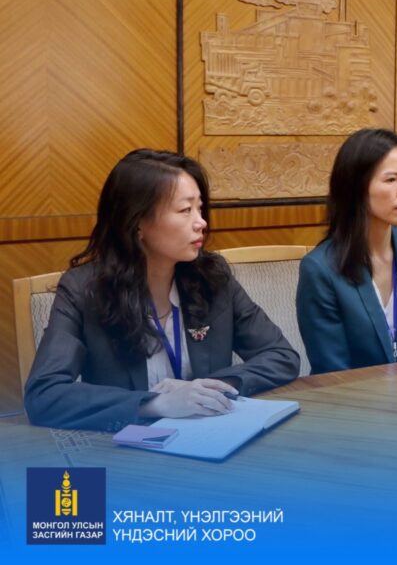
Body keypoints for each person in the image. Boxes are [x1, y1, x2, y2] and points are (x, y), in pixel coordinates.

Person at [24, 150, 300, 432]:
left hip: (210, 437)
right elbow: (45, 395)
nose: (201, 222)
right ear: (137, 222)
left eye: (200, 208)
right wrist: (154, 404)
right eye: (185, 210)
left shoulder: (212, 278)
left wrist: (211, 389)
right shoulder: (84, 290)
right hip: (126, 446)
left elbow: (281, 356)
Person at [297, 129, 397, 373]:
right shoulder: (320, 269)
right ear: (356, 187)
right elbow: (332, 371)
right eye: (391, 180)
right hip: (350, 394)